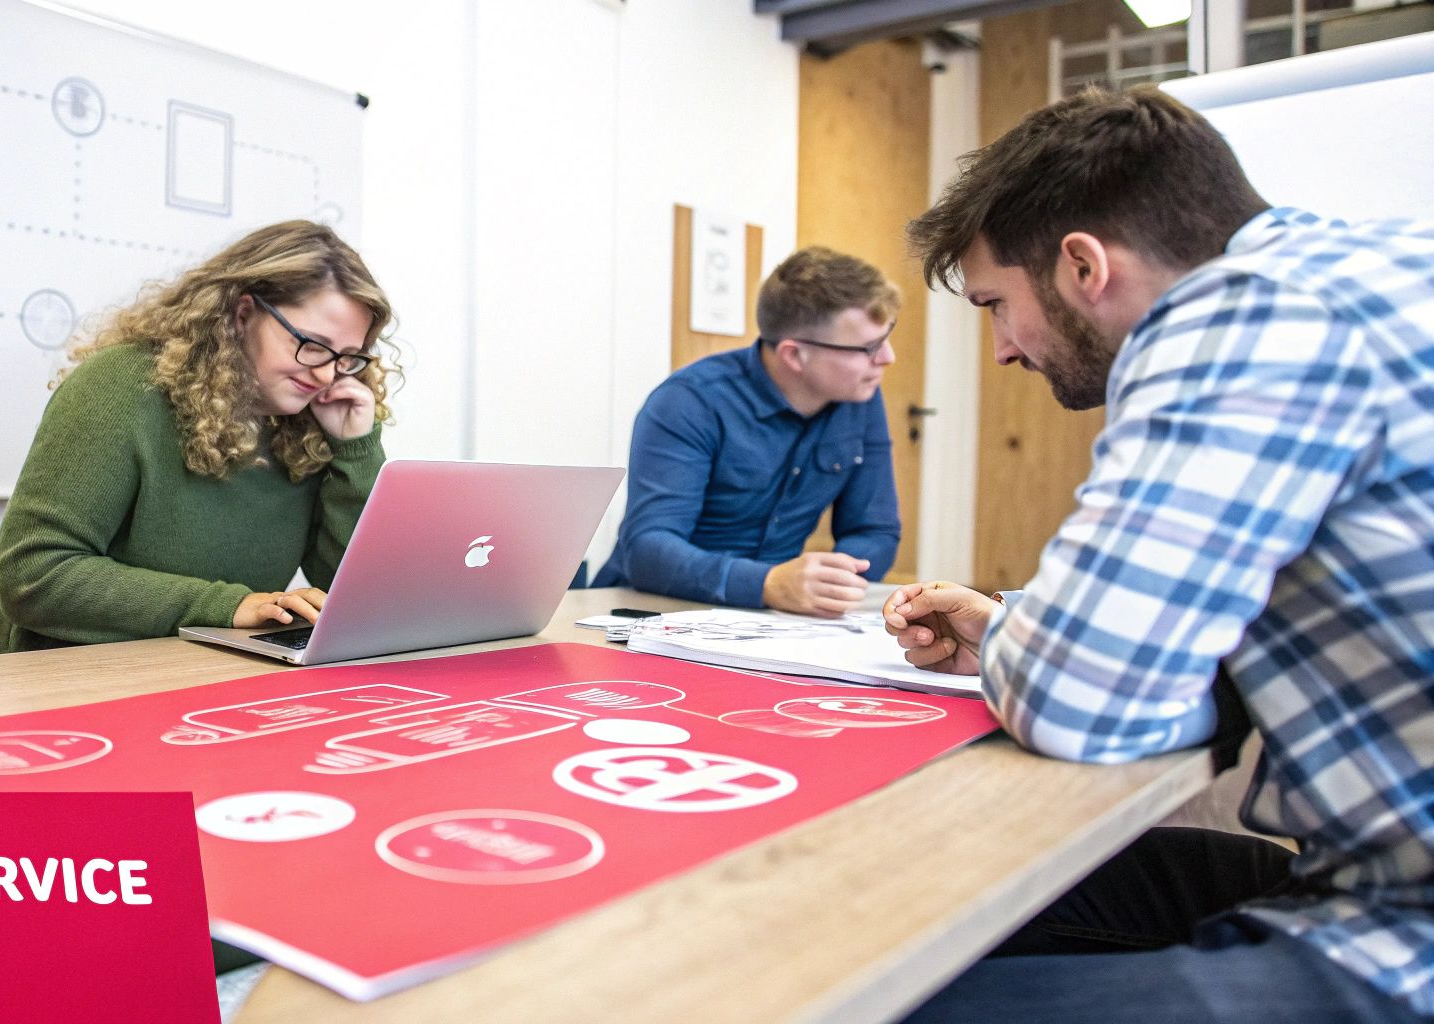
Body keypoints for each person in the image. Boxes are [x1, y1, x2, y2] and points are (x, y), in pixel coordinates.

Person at [882, 86, 1434, 1021]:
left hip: (1399, 932)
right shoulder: (1384, 266)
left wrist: (1040, 646)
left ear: (1084, 265)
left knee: (849, 992)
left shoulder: (1247, 312)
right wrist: (1018, 626)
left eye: (996, 305)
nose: (1005, 351)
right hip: (1372, 864)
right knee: (933, 903)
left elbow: (1085, 698)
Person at [0, 220, 397, 656]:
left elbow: (355, 599)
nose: (325, 373)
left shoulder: (304, 424)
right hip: (50, 682)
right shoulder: (123, 386)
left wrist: (354, 449)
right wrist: (227, 606)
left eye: (347, 358)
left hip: (198, 681)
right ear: (243, 315)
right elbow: (34, 574)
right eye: (312, 344)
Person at [592, 246, 903, 616]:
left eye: (886, 336)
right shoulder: (689, 402)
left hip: (768, 622)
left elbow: (875, 531)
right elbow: (648, 550)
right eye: (868, 347)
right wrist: (767, 583)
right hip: (649, 612)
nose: (887, 358)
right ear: (793, 355)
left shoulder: (859, 397)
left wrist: (830, 581)